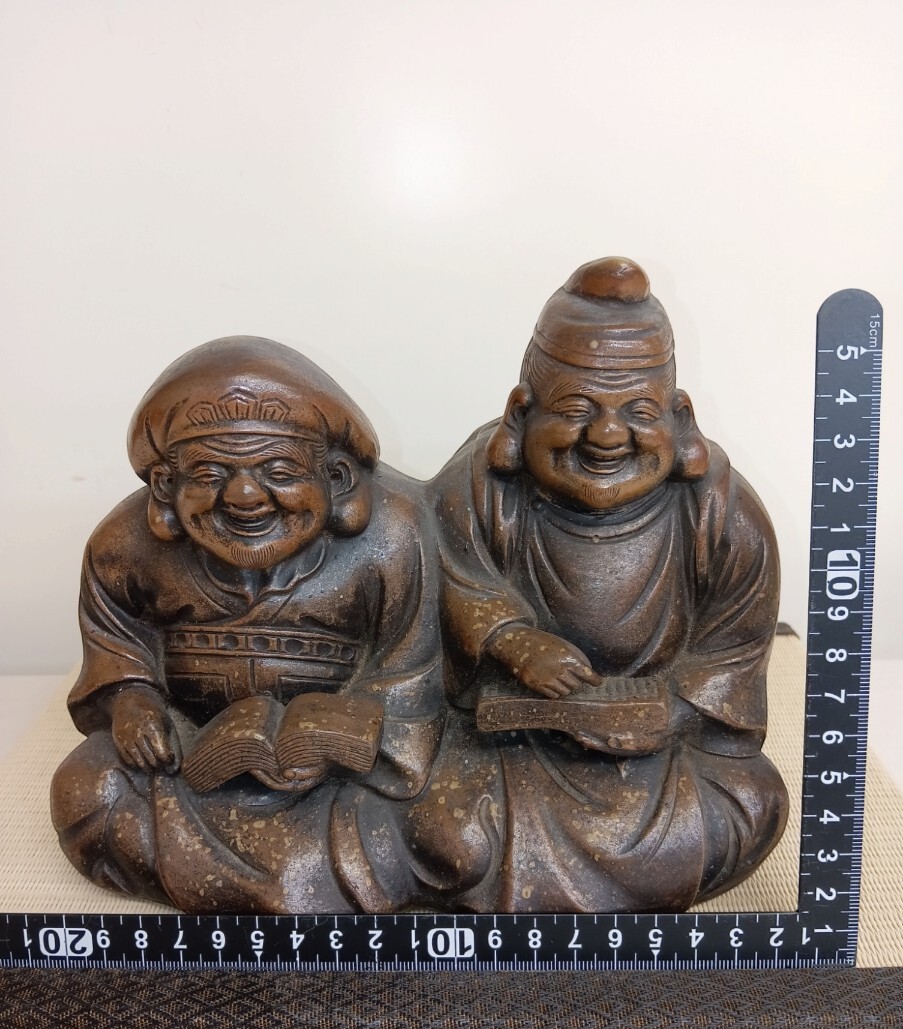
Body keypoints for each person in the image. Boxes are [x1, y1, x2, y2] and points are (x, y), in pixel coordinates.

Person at [419, 257, 789, 912]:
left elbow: (732, 655)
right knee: (431, 812)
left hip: (658, 760)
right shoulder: (479, 486)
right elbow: (435, 575)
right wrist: (509, 640)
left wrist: (664, 714)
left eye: (637, 411)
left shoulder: (721, 513)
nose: (608, 435)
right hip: (507, 746)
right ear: (521, 412)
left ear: (678, 416)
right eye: (576, 408)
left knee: (754, 803)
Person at [51, 336, 444, 913]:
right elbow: (118, 651)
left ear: (336, 478)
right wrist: (132, 703)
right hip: (190, 764)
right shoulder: (123, 548)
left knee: (452, 816)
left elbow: (412, 677)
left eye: (278, 470)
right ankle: (304, 878)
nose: (243, 496)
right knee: (86, 788)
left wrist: (341, 736)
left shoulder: (393, 538)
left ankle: (294, 872)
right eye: (209, 473)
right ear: (165, 487)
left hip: (341, 782)